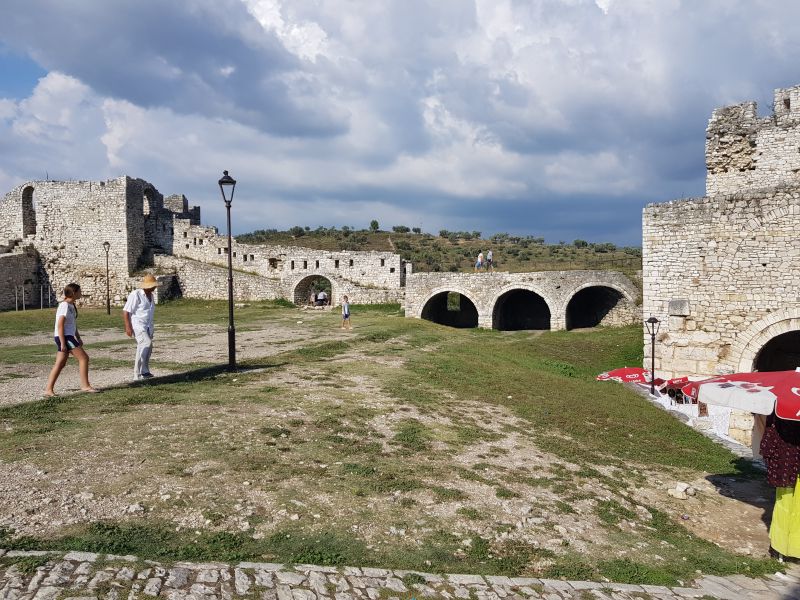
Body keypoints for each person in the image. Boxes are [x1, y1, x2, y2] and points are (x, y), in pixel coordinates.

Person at [44, 283, 98, 396]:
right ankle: (85, 386)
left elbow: (72, 324)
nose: (81, 293)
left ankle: (48, 390)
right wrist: (63, 343)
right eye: (79, 291)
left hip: (68, 336)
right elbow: (60, 325)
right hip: (64, 337)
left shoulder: (71, 306)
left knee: (60, 363)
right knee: (84, 358)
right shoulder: (64, 305)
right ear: (73, 293)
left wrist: (78, 337)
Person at [760, 411, 800, 562]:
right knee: (789, 505)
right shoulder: (784, 403)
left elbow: (772, 429)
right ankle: (787, 549)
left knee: (785, 505)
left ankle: (780, 548)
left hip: (786, 460)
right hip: (787, 461)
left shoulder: (784, 401)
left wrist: (769, 452)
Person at [123, 274, 158, 381]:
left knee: (146, 347)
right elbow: (126, 311)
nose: (155, 288)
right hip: (138, 325)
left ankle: (144, 371)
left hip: (147, 325)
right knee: (146, 344)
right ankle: (137, 374)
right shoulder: (136, 294)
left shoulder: (151, 296)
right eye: (153, 286)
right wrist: (128, 327)